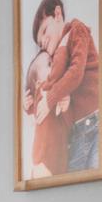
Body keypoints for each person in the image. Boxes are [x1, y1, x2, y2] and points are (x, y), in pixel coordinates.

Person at [30, 0, 101, 172]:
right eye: (40, 43)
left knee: (97, 173)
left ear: (58, 14)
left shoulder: (76, 29)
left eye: (44, 31)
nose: (43, 42)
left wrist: (51, 98)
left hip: (96, 122)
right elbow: (47, 87)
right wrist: (30, 104)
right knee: (75, 179)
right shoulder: (57, 58)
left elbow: (76, 72)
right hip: (77, 132)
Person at [25, 47, 67, 179]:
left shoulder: (50, 93)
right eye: (49, 64)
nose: (55, 65)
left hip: (57, 159)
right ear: (38, 83)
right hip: (43, 160)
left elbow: (32, 109)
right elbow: (34, 106)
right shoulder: (43, 89)